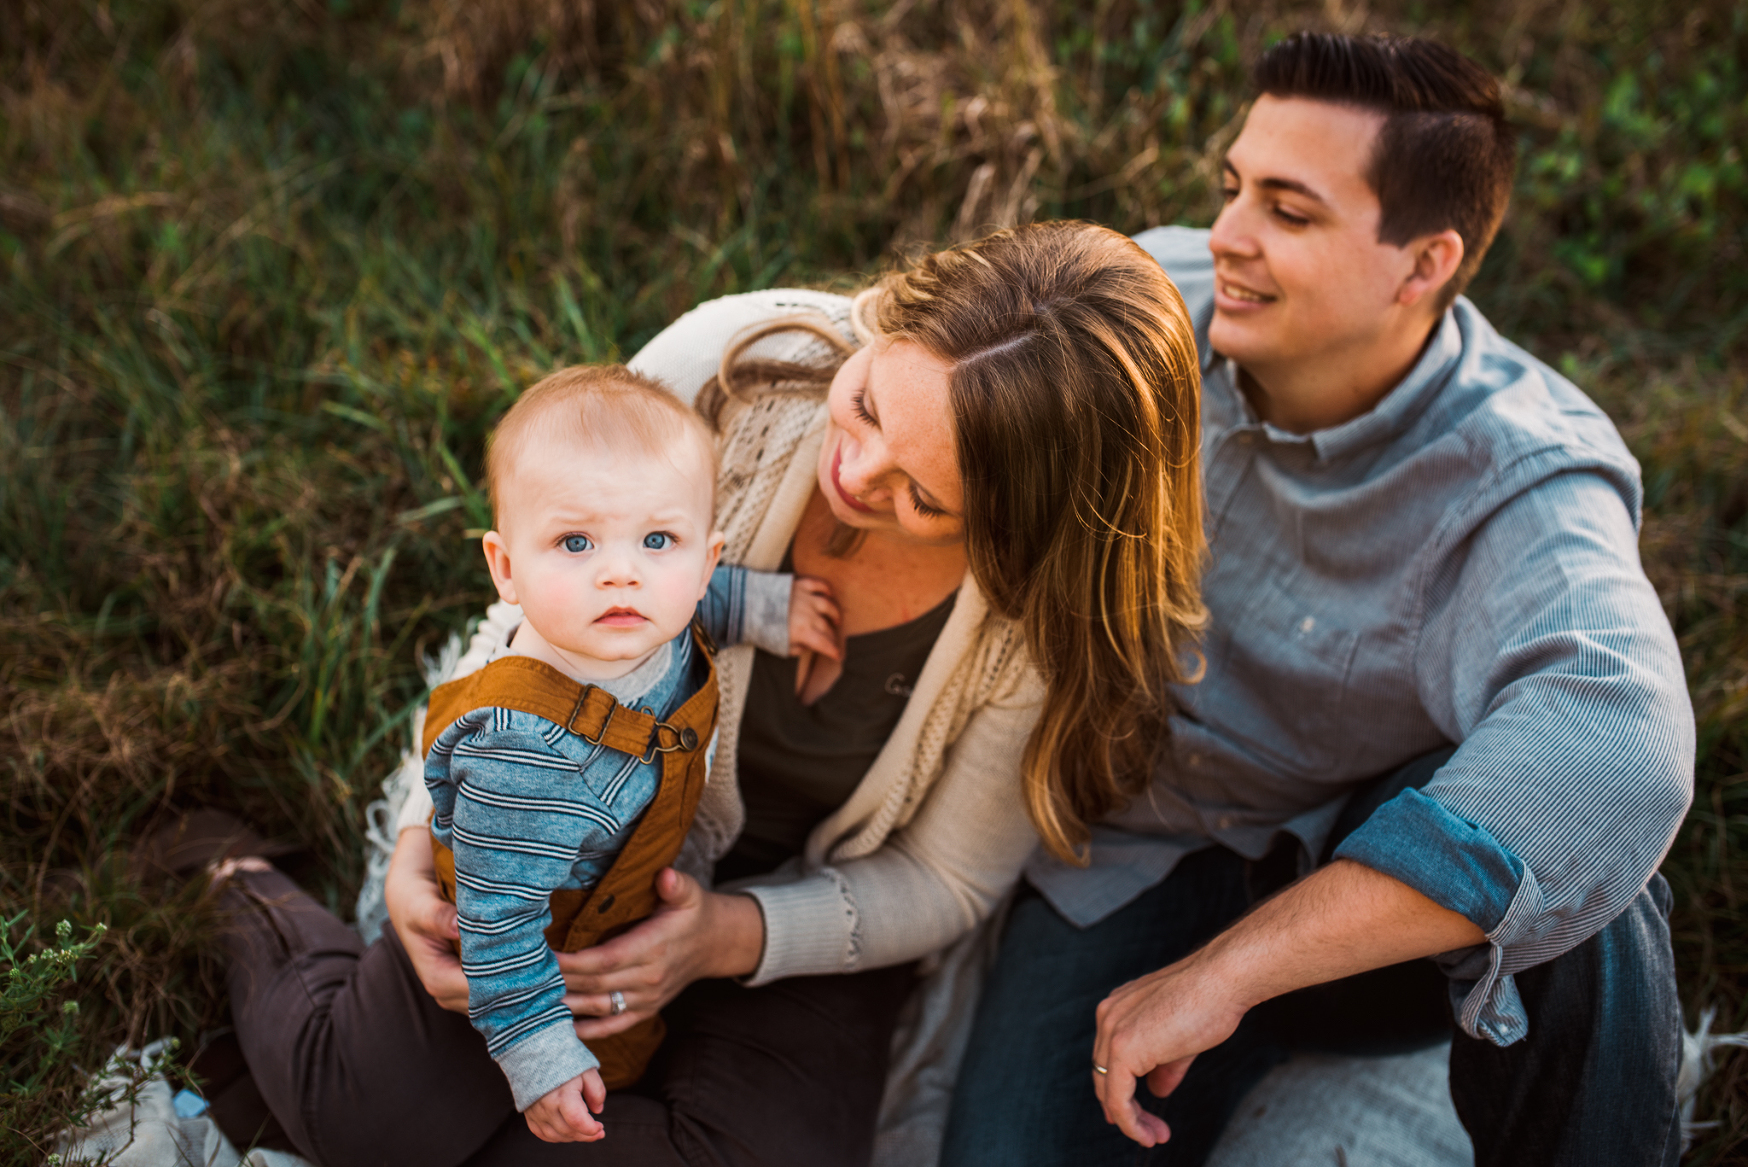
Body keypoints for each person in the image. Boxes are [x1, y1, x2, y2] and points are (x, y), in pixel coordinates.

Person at [203, 220, 1208, 1167]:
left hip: (807, 904)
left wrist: (727, 938)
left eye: (924, 498)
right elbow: (530, 621)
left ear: (1021, 527)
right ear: (893, 315)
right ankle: (225, 872)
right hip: (569, 831)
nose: (857, 473)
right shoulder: (737, 375)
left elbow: (944, 879)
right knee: (358, 1112)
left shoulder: (1035, 616)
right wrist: (420, 843)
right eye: (865, 406)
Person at [942, 32, 1695, 1167]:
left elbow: (1622, 744)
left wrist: (1230, 971)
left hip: (1358, 902)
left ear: (1423, 264)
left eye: (1288, 212)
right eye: (1232, 187)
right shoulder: (1152, 309)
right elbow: (919, 361)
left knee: (1586, 880)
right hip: (1126, 862)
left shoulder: (1519, 469)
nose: (1226, 235)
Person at [419, 365, 840, 1141]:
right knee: (498, 1096)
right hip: (552, 953)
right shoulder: (520, 753)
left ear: (705, 558)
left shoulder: (651, 615)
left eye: (657, 539)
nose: (623, 572)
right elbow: (497, 926)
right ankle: (249, 894)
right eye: (575, 541)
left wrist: (768, 608)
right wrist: (540, 1053)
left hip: (632, 895)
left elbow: (699, 605)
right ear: (506, 568)